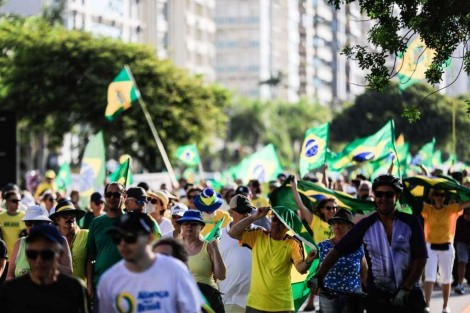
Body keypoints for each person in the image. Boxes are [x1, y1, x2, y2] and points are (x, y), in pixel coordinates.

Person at [311, 174, 427, 313]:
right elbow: (338, 250)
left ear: (398, 196)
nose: (383, 198)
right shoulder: (366, 225)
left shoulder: (411, 223)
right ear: (374, 196)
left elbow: (420, 259)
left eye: (389, 194)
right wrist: (319, 276)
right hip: (378, 299)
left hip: (409, 295)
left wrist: (406, 288)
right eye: (379, 194)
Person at [97, 213, 201, 312]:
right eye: (117, 238)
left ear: (149, 237)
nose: (123, 243)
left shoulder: (175, 270)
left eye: (130, 237)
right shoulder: (108, 280)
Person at [228, 206, 317, 313]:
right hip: (255, 304)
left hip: (282, 306)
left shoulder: (293, 243)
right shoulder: (258, 235)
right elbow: (233, 233)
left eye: (281, 222)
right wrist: (254, 217)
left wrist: (308, 260)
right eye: (274, 219)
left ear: (288, 227)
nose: (276, 224)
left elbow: (301, 269)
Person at [0, 224, 90, 312]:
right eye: (33, 254)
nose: (39, 260)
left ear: (60, 255)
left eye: (47, 254)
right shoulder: (11, 290)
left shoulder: (75, 288)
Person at [420, 188, 470, 312]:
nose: (439, 197)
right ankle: (427, 305)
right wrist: (430, 192)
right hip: (430, 246)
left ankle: (445, 305)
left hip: (446, 247)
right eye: (436, 194)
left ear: (445, 197)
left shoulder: (451, 210)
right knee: (430, 277)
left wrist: (462, 192)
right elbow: (416, 202)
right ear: (433, 196)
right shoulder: (427, 209)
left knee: (446, 278)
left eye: (442, 195)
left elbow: (466, 203)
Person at [291, 176, 336, 311]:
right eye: (328, 208)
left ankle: (315, 305)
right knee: (315, 284)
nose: (332, 211)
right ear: (322, 210)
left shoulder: (340, 223)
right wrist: (294, 187)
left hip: (334, 260)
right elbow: (301, 206)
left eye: (334, 208)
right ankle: (312, 303)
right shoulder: (315, 222)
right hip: (319, 260)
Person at [317, 208, 367, 313]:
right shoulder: (322, 246)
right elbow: (313, 270)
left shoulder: (358, 247)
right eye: (334, 222)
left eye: (340, 222)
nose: (336, 225)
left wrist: (372, 294)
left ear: (349, 226)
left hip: (353, 298)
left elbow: (364, 274)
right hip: (328, 297)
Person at [178, 210, 226, 312]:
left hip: (208, 298)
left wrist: (216, 249)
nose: (189, 226)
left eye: (193, 224)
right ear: (181, 227)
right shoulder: (174, 248)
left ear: (201, 227)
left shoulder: (209, 247)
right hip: (184, 298)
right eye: (185, 223)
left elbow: (221, 276)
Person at [7, 205, 72, 280]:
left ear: (47, 224)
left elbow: (68, 272)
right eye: (28, 223)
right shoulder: (19, 243)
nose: (32, 226)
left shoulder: (60, 241)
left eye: (37, 223)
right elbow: (10, 274)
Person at [219, 195, 259, 313]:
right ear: (231, 212)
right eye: (241, 211)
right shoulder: (219, 236)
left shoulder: (261, 233)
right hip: (230, 300)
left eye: (248, 211)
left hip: (258, 301)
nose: (246, 215)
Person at [87, 182, 126, 298]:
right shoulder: (95, 223)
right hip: (101, 286)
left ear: (124, 197)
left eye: (116, 194)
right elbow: (90, 257)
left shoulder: (131, 221)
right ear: (105, 197)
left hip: (126, 286)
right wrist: (89, 284)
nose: (112, 198)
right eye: (109, 194)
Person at [50, 198, 88, 282]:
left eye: (72, 215)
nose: (69, 218)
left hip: (81, 287)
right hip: (58, 288)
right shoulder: (52, 240)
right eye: (65, 215)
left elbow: (91, 260)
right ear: (57, 220)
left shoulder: (86, 235)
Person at [0, 190, 26, 261]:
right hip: (4, 258)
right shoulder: (1, 217)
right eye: (14, 201)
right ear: (7, 202)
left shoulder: (25, 216)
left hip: (20, 259)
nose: (17, 203)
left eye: (19, 200)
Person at [454, 208, 470, 294]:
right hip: (462, 241)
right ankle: (460, 284)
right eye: (467, 214)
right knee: (462, 262)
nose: (468, 216)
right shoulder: (460, 215)